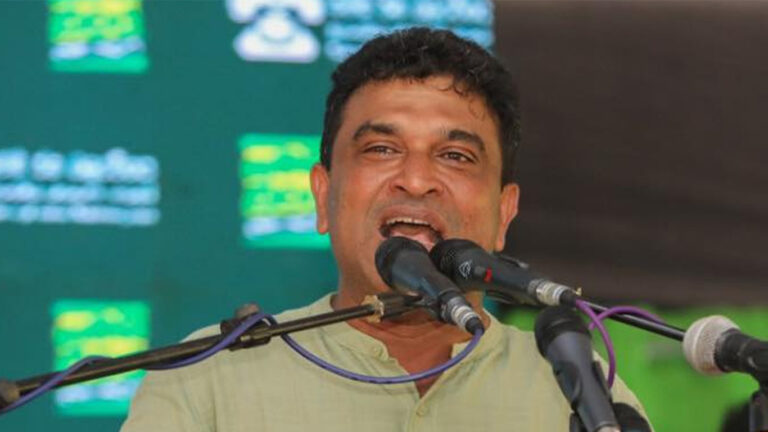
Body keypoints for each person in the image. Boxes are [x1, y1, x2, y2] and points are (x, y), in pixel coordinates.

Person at [120, 27, 648, 431]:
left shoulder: (580, 388)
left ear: (504, 214)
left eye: (455, 155)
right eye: (381, 148)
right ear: (323, 196)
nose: (416, 180)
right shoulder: (206, 381)